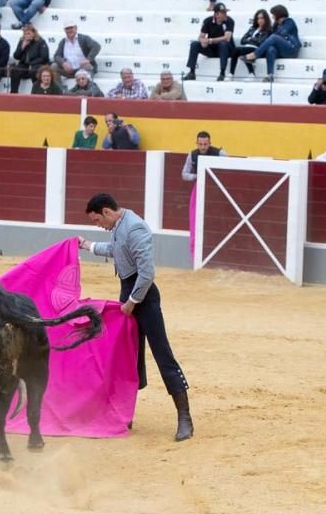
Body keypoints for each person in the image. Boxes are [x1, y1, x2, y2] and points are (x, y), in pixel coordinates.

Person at [77, 193, 193, 442]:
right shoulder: (120, 226)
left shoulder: (135, 227)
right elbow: (116, 250)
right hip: (128, 293)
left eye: (98, 220)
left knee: (162, 354)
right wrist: (89, 246)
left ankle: (185, 417)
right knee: (128, 356)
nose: (98, 225)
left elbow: (147, 272)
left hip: (144, 299)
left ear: (107, 212)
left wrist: (132, 301)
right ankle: (125, 412)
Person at [181, 130, 227, 259]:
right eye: (200, 144)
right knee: (195, 219)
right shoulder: (192, 155)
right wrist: (198, 175)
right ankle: (195, 255)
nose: (202, 147)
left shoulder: (220, 154)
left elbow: (228, 169)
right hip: (199, 188)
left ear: (209, 143)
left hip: (217, 191)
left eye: (205, 144)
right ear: (196, 143)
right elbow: (184, 174)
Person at [241, 4, 299, 83]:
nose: (272, 17)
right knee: (270, 49)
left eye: (273, 15)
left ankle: (255, 55)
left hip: (291, 49)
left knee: (274, 37)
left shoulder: (289, 21)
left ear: (278, 14)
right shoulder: (276, 25)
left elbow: (281, 34)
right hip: (281, 50)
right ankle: (270, 75)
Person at [182, 3, 234, 82]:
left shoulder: (229, 21)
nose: (225, 14)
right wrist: (203, 41)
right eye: (223, 12)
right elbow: (200, 37)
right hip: (212, 49)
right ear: (216, 14)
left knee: (223, 44)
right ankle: (192, 72)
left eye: (225, 12)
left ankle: (222, 73)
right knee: (194, 44)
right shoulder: (208, 21)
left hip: (226, 49)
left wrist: (210, 40)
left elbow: (227, 38)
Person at [8, 22, 49, 93]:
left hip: (36, 64)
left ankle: (36, 92)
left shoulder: (40, 42)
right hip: (24, 65)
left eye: (29, 33)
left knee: (34, 70)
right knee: (15, 71)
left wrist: (31, 64)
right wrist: (22, 47)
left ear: (34, 33)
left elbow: (44, 57)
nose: (27, 35)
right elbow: (16, 56)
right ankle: (13, 93)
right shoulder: (22, 41)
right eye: (25, 33)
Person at [229, 9, 270, 78]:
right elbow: (242, 40)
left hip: (258, 50)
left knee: (243, 50)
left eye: (262, 18)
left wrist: (249, 39)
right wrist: (252, 40)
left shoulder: (268, 30)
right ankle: (231, 73)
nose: (260, 20)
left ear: (266, 19)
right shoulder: (252, 28)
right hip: (247, 47)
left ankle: (251, 73)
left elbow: (260, 42)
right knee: (236, 50)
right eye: (258, 18)